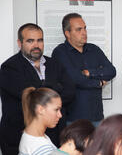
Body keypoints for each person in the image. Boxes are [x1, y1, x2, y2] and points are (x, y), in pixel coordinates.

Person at [0, 23, 75, 154]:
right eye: (30, 41)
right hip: (19, 137)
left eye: (40, 40)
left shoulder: (55, 64)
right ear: (20, 43)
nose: (36, 45)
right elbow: (32, 96)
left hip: (54, 136)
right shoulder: (9, 67)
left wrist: (44, 88)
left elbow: (70, 91)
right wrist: (56, 87)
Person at [52, 13, 116, 127]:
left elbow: (111, 71)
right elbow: (74, 78)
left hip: (97, 116)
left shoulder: (94, 49)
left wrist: (89, 72)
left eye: (85, 28)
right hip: (73, 118)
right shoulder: (60, 52)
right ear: (67, 33)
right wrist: (99, 82)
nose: (84, 32)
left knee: (97, 145)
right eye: (78, 29)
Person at [19, 87, 62, 155]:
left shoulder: (33, 135)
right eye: (56, 110)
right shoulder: (40, 147)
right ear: (41, 110)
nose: (60, 115)